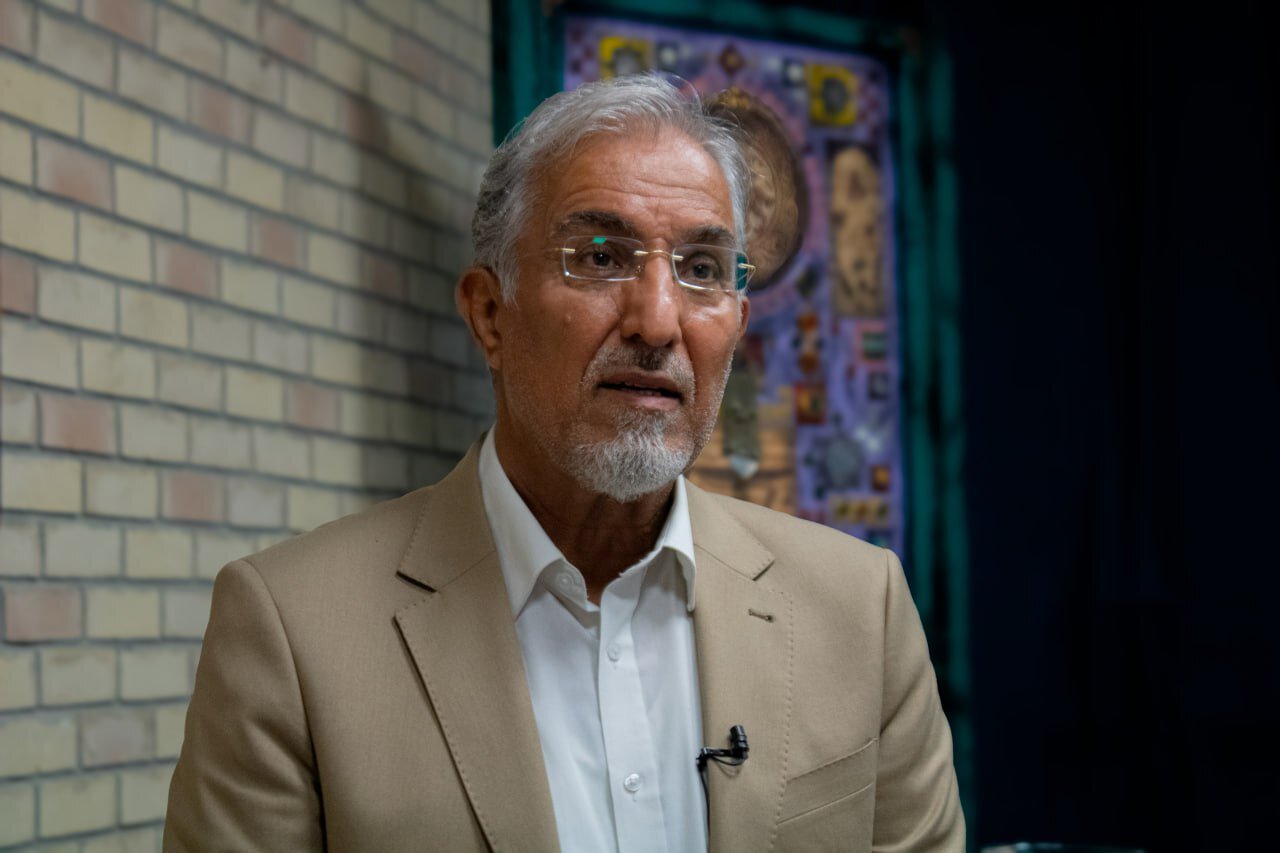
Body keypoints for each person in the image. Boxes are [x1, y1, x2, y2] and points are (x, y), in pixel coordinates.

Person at [164, 75, 964, 852]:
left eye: (702, 269)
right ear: (490, 315)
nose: (658, 321)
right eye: (602, 256)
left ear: (739, 322)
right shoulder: (293, 631)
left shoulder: (859, 611)